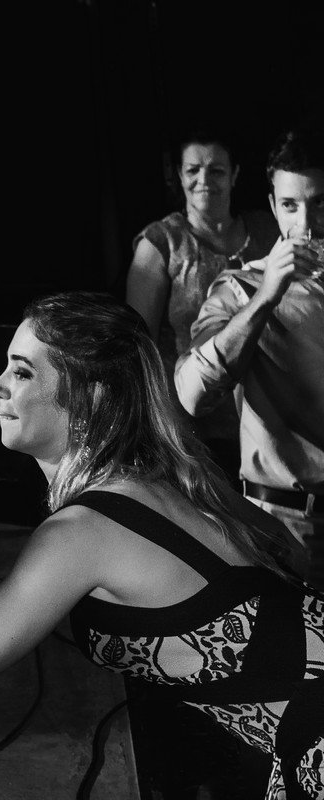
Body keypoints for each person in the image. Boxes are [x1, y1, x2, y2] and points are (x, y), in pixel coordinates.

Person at [0, 292, 322, 799]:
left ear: (90, 397)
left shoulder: (83, 532)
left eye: (21, 373)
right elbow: (291, 555)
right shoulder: (173, 479)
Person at [175, 126, 324, 584]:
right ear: (275, 206)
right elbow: (192, 397)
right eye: (291, 206)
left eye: (321, 203)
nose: (307, 225)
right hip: (287, 528)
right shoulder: (240, 288)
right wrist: (265, 300)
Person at [125, 131, 280, 481]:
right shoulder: (161, 242)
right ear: (179, 175)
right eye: (193, 170)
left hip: (267, 425)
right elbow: (137, 345)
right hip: (192, 430)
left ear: (235, 174)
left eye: (217, 171)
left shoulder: (269, 232)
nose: (204, 181)